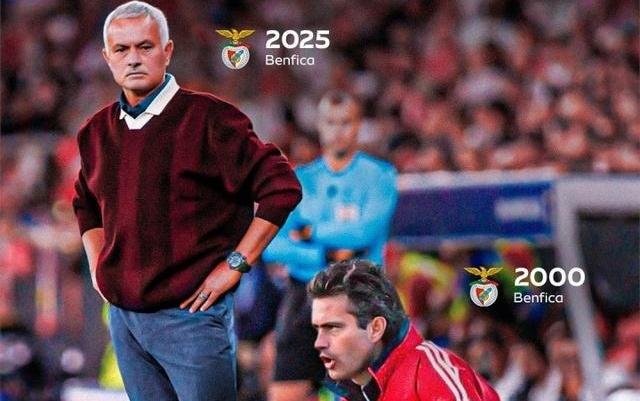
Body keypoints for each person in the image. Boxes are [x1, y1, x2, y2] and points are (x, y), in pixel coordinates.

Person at [71, 2, 302, 401]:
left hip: (191, 317)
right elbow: (85, 203)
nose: (133, 58)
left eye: (145, 46)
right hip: (125, 321)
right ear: (107, 58)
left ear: (167, 51)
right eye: (122, 49)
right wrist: (98, 269)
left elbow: (281, 186)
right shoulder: (96, 131)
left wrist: (236, 263)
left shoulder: (211, 119)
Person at [262, 91, 398, 401]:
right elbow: (272, 244)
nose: (338, 131)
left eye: (345, 122)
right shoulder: (300, 179)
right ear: (320, 126)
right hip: (303, 294)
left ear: (358, 125)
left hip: (359, 294)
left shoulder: (380, 176)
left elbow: (364, 232)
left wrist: (309, 231)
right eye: (330, 122)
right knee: (286, 392)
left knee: (364, 391)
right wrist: (322, 253)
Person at [309, 260, 501, 401]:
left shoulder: (430, 372)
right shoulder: (353, 394)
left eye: (333, 328)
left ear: (376, 329)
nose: (319, 343)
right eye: (317, 329)